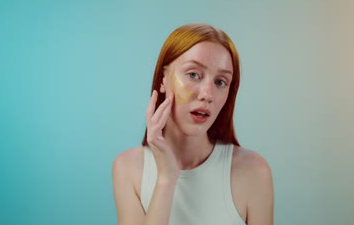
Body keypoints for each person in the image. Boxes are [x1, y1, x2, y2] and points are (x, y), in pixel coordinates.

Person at [112, 23, 274, 225]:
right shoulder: (128, 168)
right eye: (193, 75)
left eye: (220, 82)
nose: (207, 95)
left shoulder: (254, 171)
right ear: (163, 79)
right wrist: (166, 178)